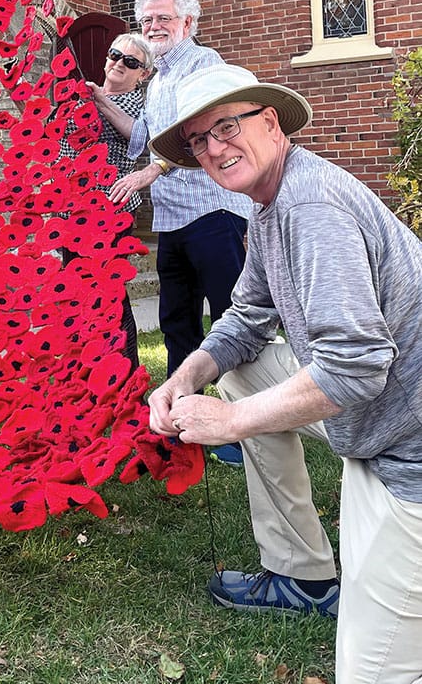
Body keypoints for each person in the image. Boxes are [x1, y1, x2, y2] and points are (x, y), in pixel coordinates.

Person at [148, 64, 422, 682]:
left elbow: (355, 366)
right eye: (198, 141)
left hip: (410, 450)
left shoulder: (308, 206)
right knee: (240, 374)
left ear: (270, 122)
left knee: (373, 670)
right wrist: (187, 376)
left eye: (226, 126)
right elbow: (245, 316)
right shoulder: (271, 204)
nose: (214, 149)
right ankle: (303, 576)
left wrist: (231, 421)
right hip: (386, 414)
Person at [106, 0, 251, 464]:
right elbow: (143, 139)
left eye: (163, 18)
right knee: (177, 323)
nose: (153, 28)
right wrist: (97, 99)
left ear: (187, 23)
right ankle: (182, 422)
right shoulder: (157, 78)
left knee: (231, 320)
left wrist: (149, 171)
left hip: (212, 213)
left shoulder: (202, 65)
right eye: (146, 20)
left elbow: (200, 135)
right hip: (172, 219)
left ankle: (241, 425)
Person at [62, 31, 154, 367]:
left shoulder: (139, 104)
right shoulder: (78, 98)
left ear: (142, 74)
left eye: (130, 62)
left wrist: (100, 99)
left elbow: (139, 139)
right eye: (115, 56)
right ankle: (86, 374)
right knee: (77, 296)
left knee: (110, 296)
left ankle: (125, 375)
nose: (118, 64)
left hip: (109, 215)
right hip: (73, 212)